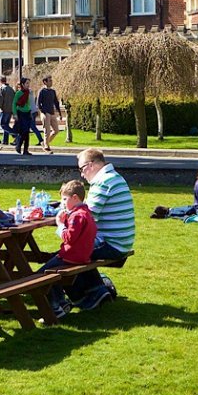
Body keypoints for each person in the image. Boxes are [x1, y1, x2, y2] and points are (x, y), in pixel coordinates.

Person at [73, 149, 131, 309]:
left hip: (112, 244)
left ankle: (72, 298)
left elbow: (85, 217)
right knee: (76, 249)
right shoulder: (114, 177)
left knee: (68, 255)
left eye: (81, 169)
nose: (82, 175)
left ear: (90, 165)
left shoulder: (102, 182)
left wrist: (64, 213)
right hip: (121, 241)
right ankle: (97, 291)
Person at [43, 179, 99, 318]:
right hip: (83, 255)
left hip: (72, 256)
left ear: (75, 198)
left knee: (41, 275)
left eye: (64, 199)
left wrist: (60, 224)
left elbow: (69, 237)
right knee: (51, 269)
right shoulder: (86, 212)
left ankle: (55, 308)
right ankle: (61, 301)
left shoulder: (77, 216)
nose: (62, 203)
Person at [38, 76, 64, 152]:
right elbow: (39, 103)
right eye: (49, 81)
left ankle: (45, 143)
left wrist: (59, 113)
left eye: (51, 80)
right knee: (47, 130)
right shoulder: (42, 91)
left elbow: (56, 102)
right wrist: (43, 112)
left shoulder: (52, 91)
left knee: (56, 130)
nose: (51, 82)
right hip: (45, 113)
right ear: (45, 82)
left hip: (52, 112)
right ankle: (47, 146)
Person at [13, 79, 36, 155]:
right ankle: (18, 145)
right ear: (22, 84)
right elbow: (14, 104)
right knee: (24, 131)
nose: (28, 85)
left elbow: (31, 103)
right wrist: (15, 114)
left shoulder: (29, 92)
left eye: (29, 83)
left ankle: (25, 150)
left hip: (28, 113)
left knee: (27, 132)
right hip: (21, 113)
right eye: (26, 83)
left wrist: (33, 111)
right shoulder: (19, 93)